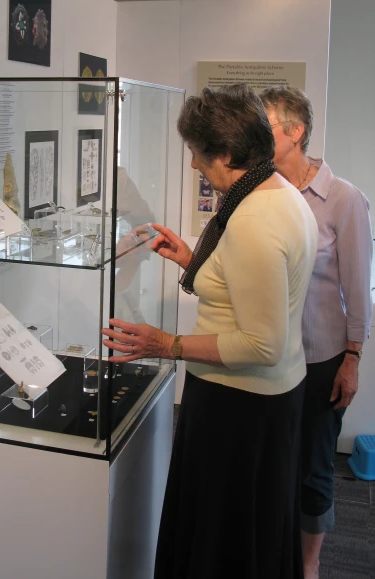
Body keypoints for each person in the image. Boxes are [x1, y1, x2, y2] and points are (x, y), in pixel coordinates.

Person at [102, 83, 318, 579]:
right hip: (266, 401)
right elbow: (252, 291)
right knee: (248, 532)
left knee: (226, 541)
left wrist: (165, 344)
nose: (195, 166)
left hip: (240, 407)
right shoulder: (274, 192)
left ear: (224, 152)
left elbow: (262, 344)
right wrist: (195, 260)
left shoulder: (254, 219)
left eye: (198, 154)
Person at [260, 86, 372, 579]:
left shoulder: (343, 200)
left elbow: (358, 288)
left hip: (324, 358)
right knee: (273, 463)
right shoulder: (263, 191)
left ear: (295, 131)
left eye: (265, 125)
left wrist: (353, 357)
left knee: (314, 467)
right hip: (270, 357)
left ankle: (310, 566)